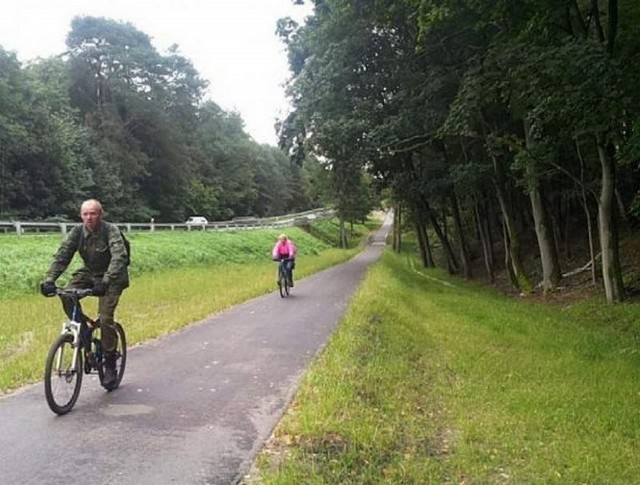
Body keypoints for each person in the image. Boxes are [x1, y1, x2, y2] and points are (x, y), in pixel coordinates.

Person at [40, 199, 129, 387]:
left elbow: (119, 256)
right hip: (89, 272)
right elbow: (63, 255)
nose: (89, 217)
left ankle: (110, 362)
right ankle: (84, 330)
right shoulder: (77, 232)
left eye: (93, 213)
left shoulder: (110, 230)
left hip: (112, 276)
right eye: (85, 214)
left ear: (100, 214)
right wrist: (49, 279)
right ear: (81, 215)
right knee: (65, 293)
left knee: (105, 319)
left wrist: (105, 281)